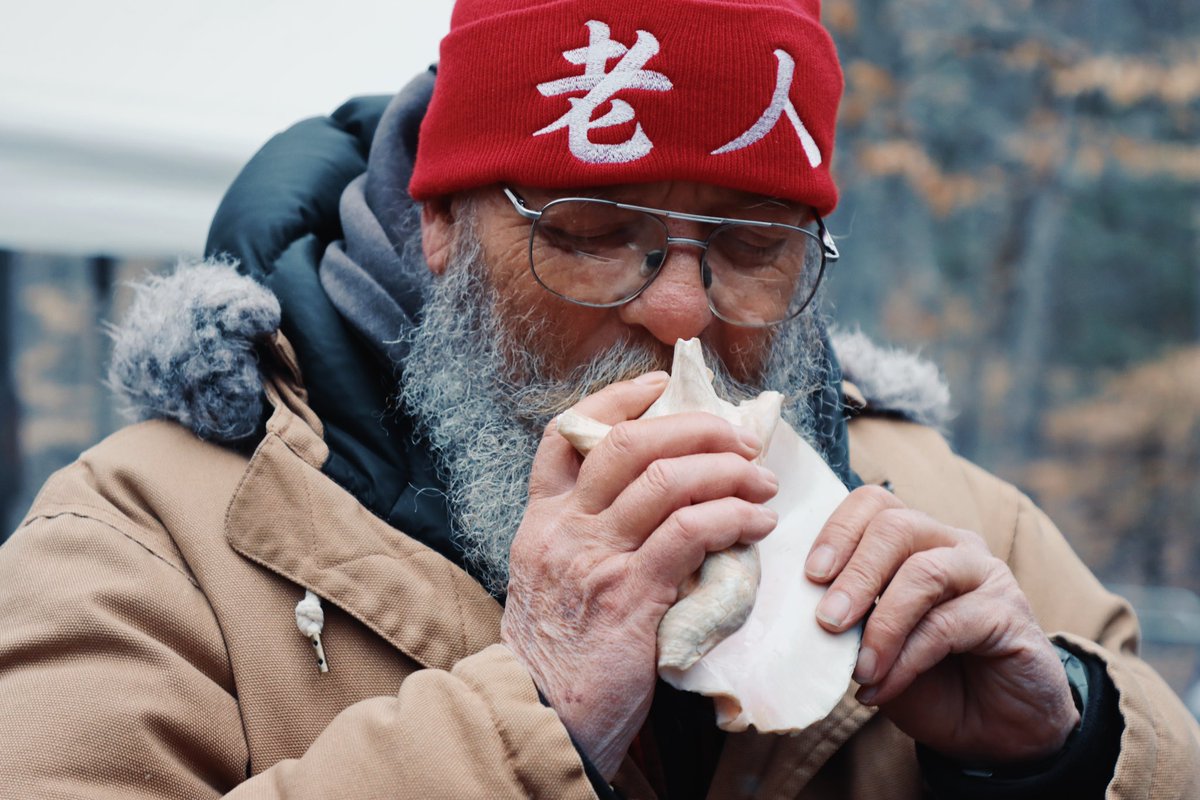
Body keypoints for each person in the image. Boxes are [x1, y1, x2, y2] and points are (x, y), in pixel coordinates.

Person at [1, 0, 1197, 797]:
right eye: (589, 234)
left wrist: (1070, 742)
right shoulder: (153, 541)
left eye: (749, 246)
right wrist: (533, 708)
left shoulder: (942, 505)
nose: (682, 311)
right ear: (436, 218)